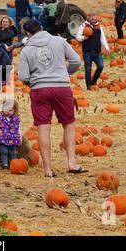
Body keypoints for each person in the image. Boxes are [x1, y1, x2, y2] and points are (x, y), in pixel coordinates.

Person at [18, 19, 84, 177]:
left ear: (27, 33)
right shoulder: (59, 41)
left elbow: (23, 76)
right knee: (68, 124)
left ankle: (47, 169)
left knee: (43, 127)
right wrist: (65, 72)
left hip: (40, 89)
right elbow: (75, 60)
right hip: (61, 87)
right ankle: (72, 163)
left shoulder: (26, 51)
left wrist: (32, 81)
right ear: (41, 27)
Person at [76, 12, 110, 90]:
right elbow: (77, 37)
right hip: (87, 51)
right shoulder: (84, 26)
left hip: (97, 52)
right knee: (88, 69)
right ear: (89, 18)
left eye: (95, 19)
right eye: (92, 19)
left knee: (100, 66)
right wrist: (83, 38)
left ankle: (93, 81)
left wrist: (107, 47)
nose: (94, 20)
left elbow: (102, 38)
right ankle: (88, 86)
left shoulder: (99, 27)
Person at [0, 99, 21, 169]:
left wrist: (20, 137)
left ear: (15, 110)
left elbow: (18, 129)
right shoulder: (0, 118)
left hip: (13, 138)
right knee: (4, 151)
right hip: (2, 138)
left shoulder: (16, 119)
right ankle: (5, 165)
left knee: (13, 153)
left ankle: (14, 165)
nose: (8, 112)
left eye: (11, 110)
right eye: (6, 109)